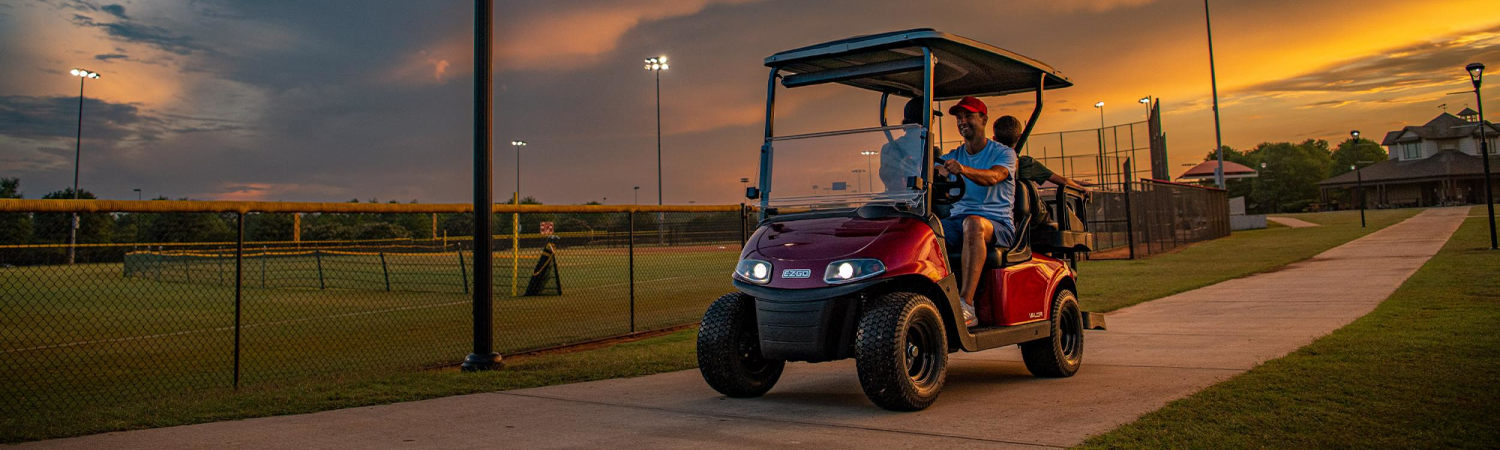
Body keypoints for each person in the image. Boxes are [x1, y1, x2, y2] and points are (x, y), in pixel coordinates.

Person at [935, 96, 1015, 328]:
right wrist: (934, 171)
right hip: (958, 220)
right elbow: (935, 170)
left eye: (968, 116)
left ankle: (967, 304)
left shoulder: (1003, 153)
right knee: (925, 231)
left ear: (984, 119)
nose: (962, 121)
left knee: (973, 224)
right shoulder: (953, 155)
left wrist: (963, 170)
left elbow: (994, 177)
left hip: (997, 223)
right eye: (959, 118)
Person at [991, 115, 1090, 195]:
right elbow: (1063, 181)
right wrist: (1081, 188)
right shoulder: (1026, 163)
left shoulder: (986, 163)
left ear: (994, 139)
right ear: (1020, 137)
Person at [877, 97, 938, 193]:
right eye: (933, 120)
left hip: (897, 201)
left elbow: (887, 179)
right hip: (919, 202)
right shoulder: (932, 151)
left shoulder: (888, 149)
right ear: (927, 122)